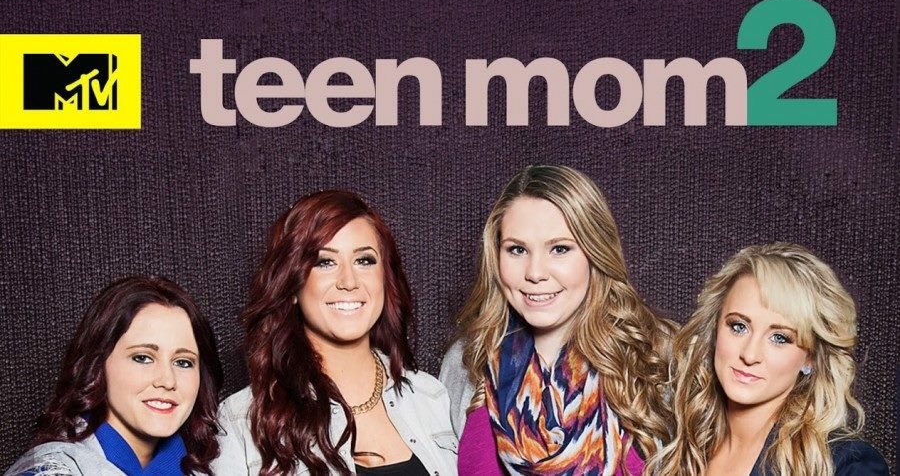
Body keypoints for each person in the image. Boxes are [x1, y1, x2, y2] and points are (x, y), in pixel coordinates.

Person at [440, 165, 674, 475]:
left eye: (560, 249)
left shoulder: (656, 356)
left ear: (595, 252)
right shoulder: (466, 360)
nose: (535, 273)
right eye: (517, 249)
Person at [213, 190, 457, 476]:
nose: (349, 281)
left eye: (364, 260)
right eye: (325, 262)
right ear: (292, 285)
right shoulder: (242, 420)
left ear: (385, 278)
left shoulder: (431, 397)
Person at [654, 243, 889, 475]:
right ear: (715, 331)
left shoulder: (846, 465)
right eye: (739, 326)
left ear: (811, 358)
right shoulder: (674, 448)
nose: (750, 355)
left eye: (779, 338)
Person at [5, 276, 223, 476]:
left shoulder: (209, 465)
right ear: (97, 364)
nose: (167, 380)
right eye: (143, 358)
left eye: (183, 362)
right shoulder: (51, 471)